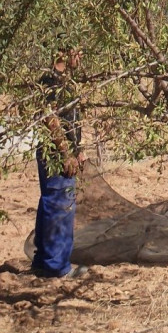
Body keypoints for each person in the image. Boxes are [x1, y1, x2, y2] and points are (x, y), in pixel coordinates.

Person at [32, 45, 86, 278]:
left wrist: (80, 148)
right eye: (78, 51)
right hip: (55, 155)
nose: (81, 56)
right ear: (64, 52)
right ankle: (57, 267)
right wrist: (66, 153)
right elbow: (50, 119)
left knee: (51, 204)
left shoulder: (67, 82)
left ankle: (43, 261)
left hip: (64, 153)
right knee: (60, 207)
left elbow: (72, 120)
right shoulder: (51, 81)